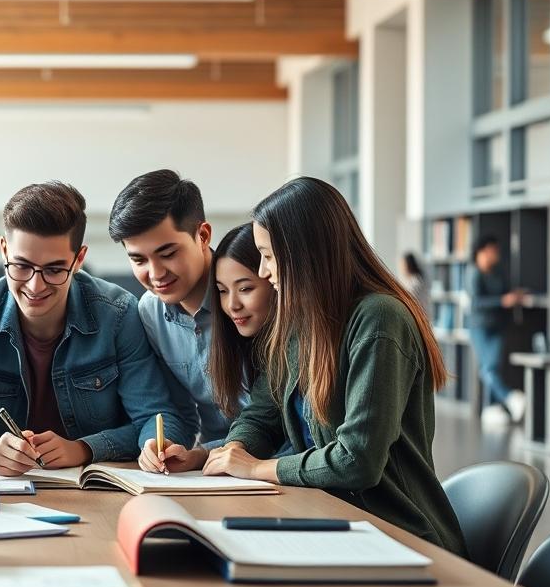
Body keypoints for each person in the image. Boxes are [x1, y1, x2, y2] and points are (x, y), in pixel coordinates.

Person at [146, 177, 466, 555]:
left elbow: (356, 460)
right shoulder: (301, 325)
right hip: (331, 521)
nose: (264, 272)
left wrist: (254, 468)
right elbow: (261, 416)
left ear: (302, 253)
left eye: (267, 255)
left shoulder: (379, 318)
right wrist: (228, 454)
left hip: (400, 536)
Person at [0, 181, 193, 474]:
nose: (35, 285)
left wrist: (84, 448)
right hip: (3, 494)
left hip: (96, 491)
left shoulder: (118, 314)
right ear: (4, 250)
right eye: (21, 266)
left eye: (54, 270)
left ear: (79, 259)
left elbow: (156, 418)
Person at [140, 223, 286, 471]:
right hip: (224, 468)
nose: (232, 305)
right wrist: (187, 453)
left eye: (245, 288)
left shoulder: (292, 341)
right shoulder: (152, 312)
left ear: (274, 280)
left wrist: (207, 455)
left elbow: (280, 431)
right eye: (221, 291)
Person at [107, 169, 217, 447]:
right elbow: (181, 416)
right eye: (139, 260)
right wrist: (161, 445)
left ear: (202, 236)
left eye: (168, 254)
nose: (155, 274)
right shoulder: (151, 312)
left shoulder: (250, 294)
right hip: (214, 467)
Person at [468, 236, 527, 424]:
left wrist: (514, 296)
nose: (497, 254)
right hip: (480, 327)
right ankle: (511, 398)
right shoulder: (474, 273)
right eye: (493, 250)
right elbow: (476, 302)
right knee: (489, 370)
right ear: (483, 251)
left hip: (498, 326)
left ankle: (492, 408)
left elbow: (504, 292)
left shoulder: (497, 272)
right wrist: (502, 301)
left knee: (492, 367)